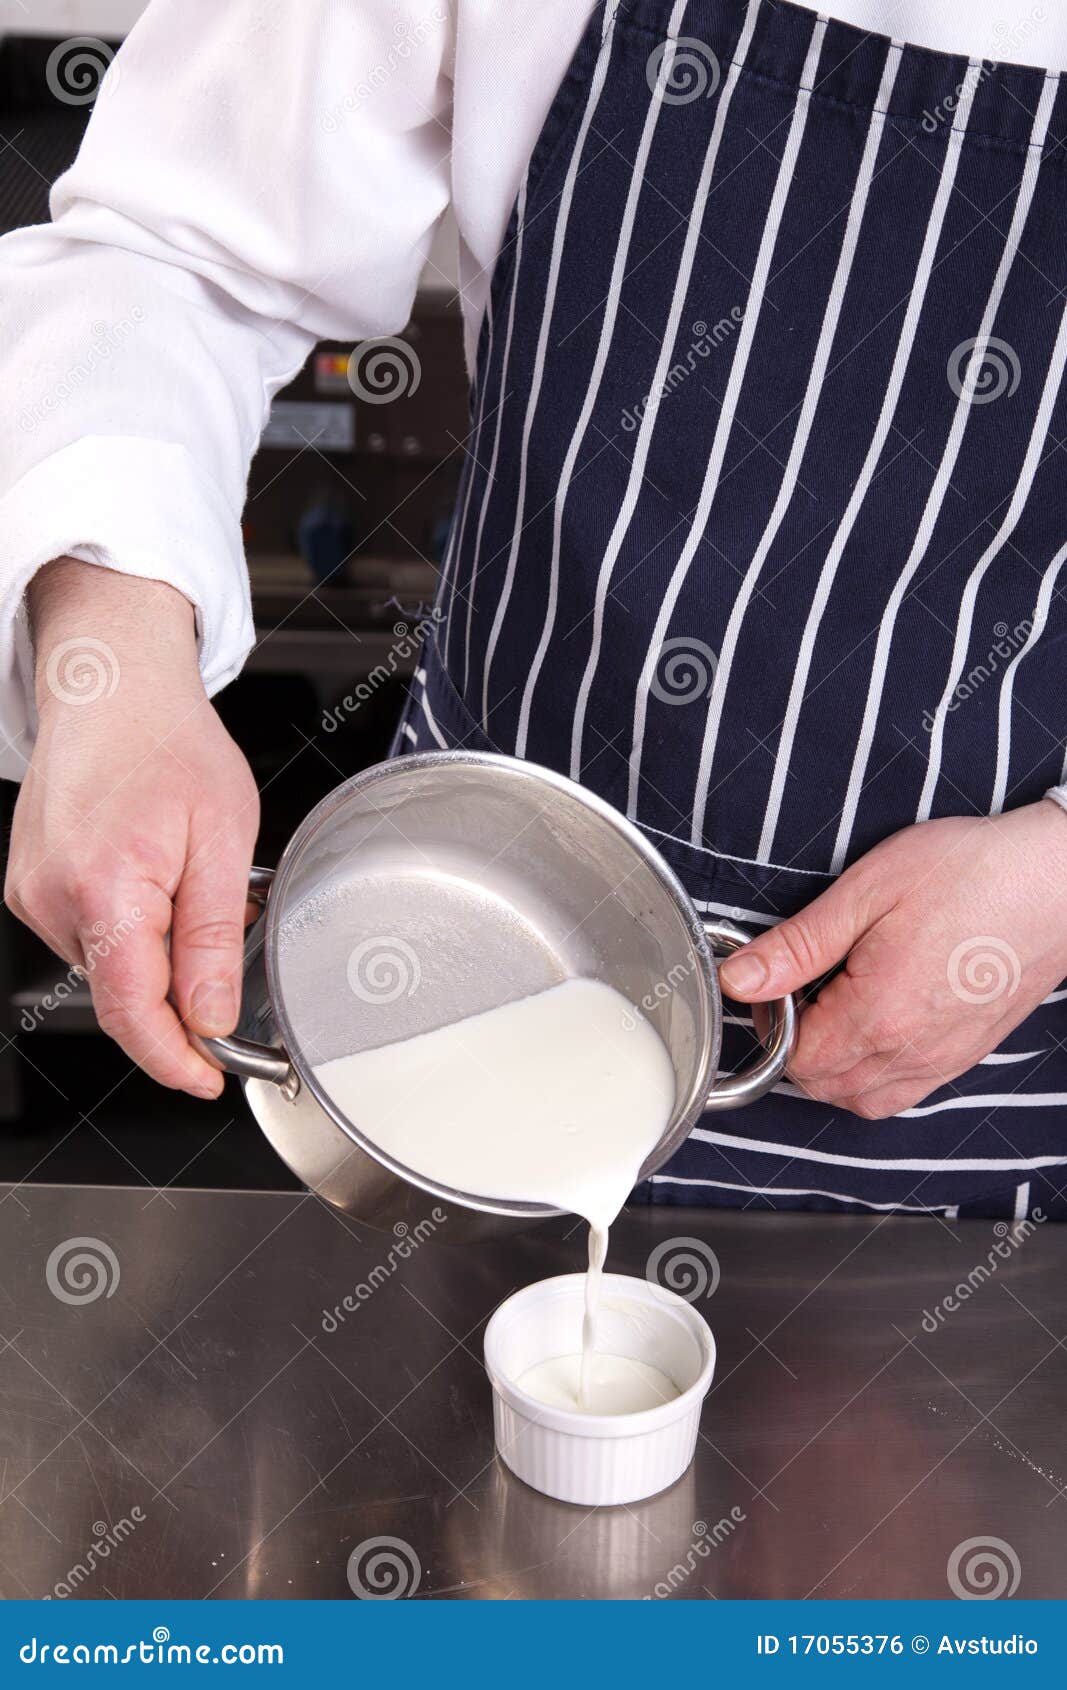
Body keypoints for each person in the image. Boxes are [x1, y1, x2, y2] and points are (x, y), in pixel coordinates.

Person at [2, 0, 1066, 1220]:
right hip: (463, 964)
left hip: (987, 1083)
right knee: (428, 1391)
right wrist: (113, 666)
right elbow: (172, 250)